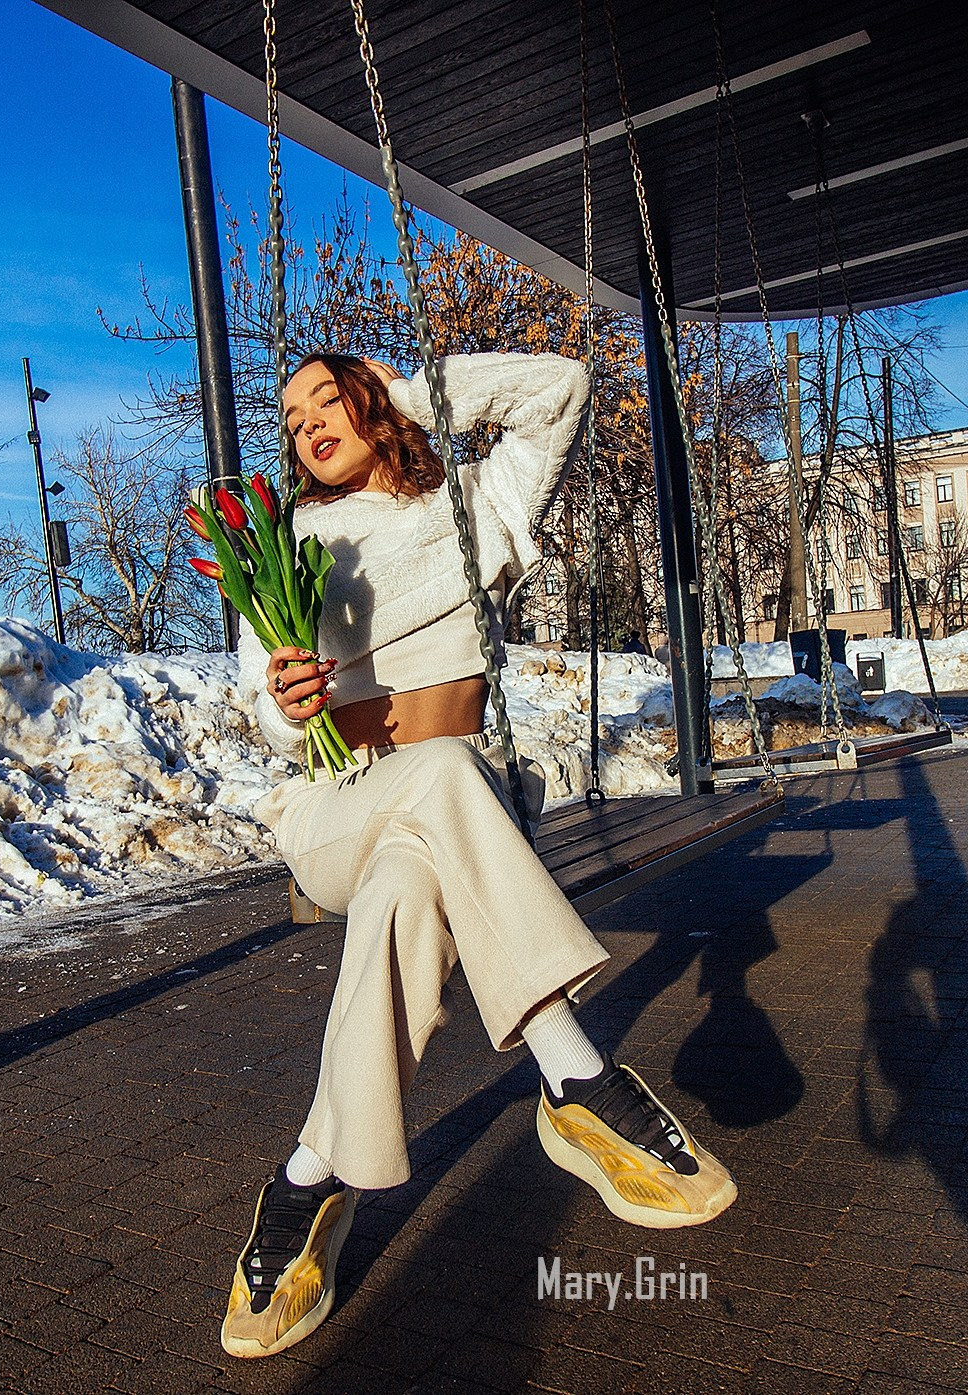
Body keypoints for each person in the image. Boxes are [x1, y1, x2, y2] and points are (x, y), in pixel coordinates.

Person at [222, 351, 736, 1359]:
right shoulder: (281, 542)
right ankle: (574, 1078)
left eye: (330, 398)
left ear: (375, 401)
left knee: (407, 891)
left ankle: (307, 1184)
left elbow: (559, 389)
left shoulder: (470, 504)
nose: (308, 423)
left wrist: (402, 388)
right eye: (290, 418)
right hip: (335, 805)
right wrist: (285, 709)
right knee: (445, 776)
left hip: (443, 821)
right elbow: (260, 708)